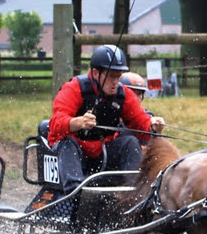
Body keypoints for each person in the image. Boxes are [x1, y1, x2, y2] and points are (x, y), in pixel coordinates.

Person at [47, 45, 165, 192]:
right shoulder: (74, 88)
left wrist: (152, 125)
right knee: (67, 143)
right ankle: (75, 193)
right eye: (111, 76)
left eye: (118, 76)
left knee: (130, 142)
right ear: (96, 73)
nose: (116, 82)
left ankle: (134, 192)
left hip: (103, 152)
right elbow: (55, 123)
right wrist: (77, 122)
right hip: (75, 153)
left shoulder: (123, 94)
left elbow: (140, 122)